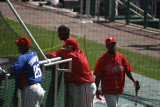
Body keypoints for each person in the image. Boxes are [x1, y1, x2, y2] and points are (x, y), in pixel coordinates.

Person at [46, 37, 96, 107]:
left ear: (70, 48)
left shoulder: (74, 56)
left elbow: (58, 54)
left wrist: (56, 52)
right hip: (83, 84)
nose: (63, 48)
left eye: (65, 46)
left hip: (86, 85)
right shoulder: (78, 53)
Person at [93, 37, 140, 107]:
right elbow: (98, 76)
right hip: (108, 90)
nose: (111, 46)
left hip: (118, 89)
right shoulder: (102, 59)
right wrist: (96, 89)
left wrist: (134, 80)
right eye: (109, 44)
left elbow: (128, 71)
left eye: (113, 44)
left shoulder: (121, 57)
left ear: (115, 45)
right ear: (106, 46)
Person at [0, 36, 45, 107]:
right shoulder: (33, 54)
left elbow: (13, 70)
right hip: (39, 89)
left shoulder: (22, 58)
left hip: (30, 90)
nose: (17, 47)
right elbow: (24, 63)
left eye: (18, 45)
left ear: (22, 47)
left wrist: (3, 71)